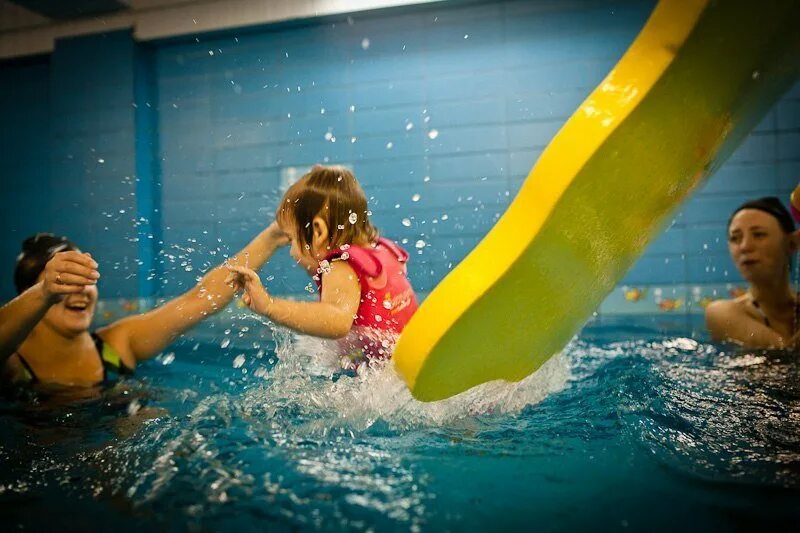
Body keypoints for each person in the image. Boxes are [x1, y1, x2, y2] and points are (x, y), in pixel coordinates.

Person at [0, 224, 287, 388]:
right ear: (32, 295)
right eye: (63, 282)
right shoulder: (13, 364)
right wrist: (46, 290)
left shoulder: (118, 343)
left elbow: (201, 299)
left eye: (85, 280)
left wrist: (272, 237)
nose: (80, 292)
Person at [227, 165, 418, 365]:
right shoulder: (382, 251)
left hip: (378, 378)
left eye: (291, 238)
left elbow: (337, 321)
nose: (292, 252)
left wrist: (269, 306)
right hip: (407, 362)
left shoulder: (340, 265)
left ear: (318, 231)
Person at [705, 196, 800, 349]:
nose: (744, 246)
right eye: (735, 238)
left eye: (759, 234)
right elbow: (784, 352)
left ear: (792, 243)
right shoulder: (721, 313)